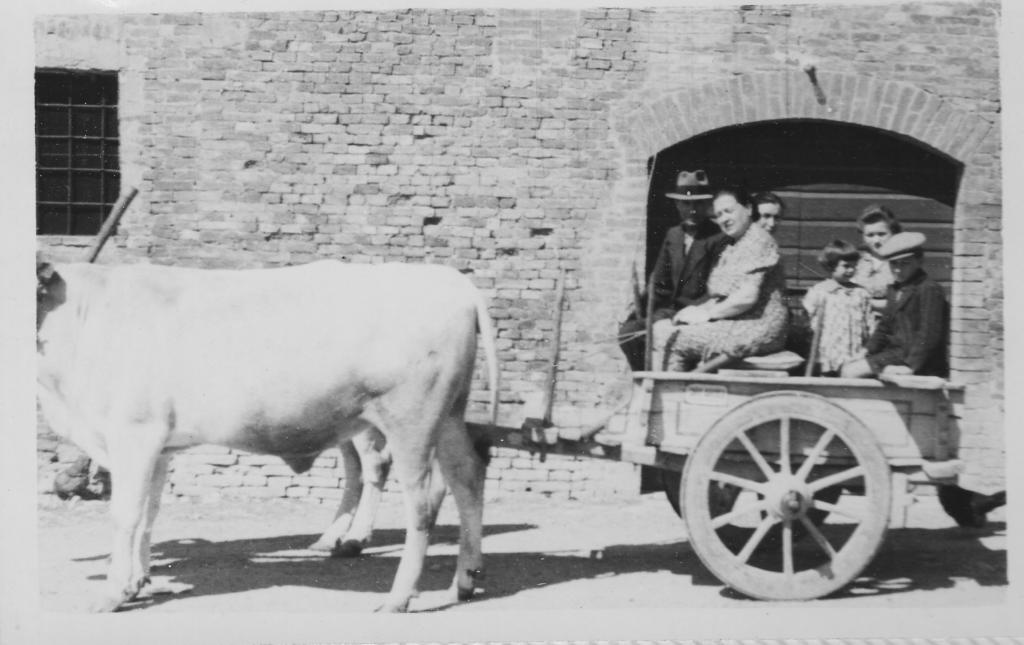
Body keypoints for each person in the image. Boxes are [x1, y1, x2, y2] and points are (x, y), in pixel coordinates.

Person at [658, 187, 788, 372]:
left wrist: (706, 315)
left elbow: (746, 297)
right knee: (663, 328)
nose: (724, 219)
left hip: (757, 328)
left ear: (749, 209)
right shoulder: (735, 245)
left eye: (729, 211)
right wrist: (695, 311)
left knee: (668, 339)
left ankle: (668, 394)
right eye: (719, 214)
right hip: (740, 322)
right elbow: (722, 296)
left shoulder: (758, 240)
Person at [618, 170, 730, 371]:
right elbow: (658, 284)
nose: (692, 210)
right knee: (628, 333)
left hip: (698, 314)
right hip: (667, 311)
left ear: (707, 205)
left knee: (664, 335)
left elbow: (716, 289)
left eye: (698, 204)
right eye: (686, 204)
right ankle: (646, 381)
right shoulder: (674, 235)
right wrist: (636, 313)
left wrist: (688, 313)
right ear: (677, 205)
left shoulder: (718, 238)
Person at [840, 231, 948, 378]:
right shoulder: (894, 289)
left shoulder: (928, 289)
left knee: (851, 372)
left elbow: (929, 335)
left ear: (919, 261)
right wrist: (866, 351)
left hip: (916, 359)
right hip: (895, 354)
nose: (897, 269)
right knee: (848, 367)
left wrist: (910, 367)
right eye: (893, 264)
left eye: (905, 264)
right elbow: (884, 327)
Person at [802, 240, 873, 376]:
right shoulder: (821, 291)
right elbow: (807, 317)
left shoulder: (861, 293)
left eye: (854, 266)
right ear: (831, 266)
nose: (851, 270)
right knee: (827, 378)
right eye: (846, 266)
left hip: (854, 350)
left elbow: (868, 321)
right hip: (828, 349)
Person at [852, 204, 902, 322]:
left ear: (893, 233)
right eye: (870, 235)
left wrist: (865, 302)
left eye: (881, 234)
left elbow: (901, 302)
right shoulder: (857, 262)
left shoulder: (900, 263)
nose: (876, 241)